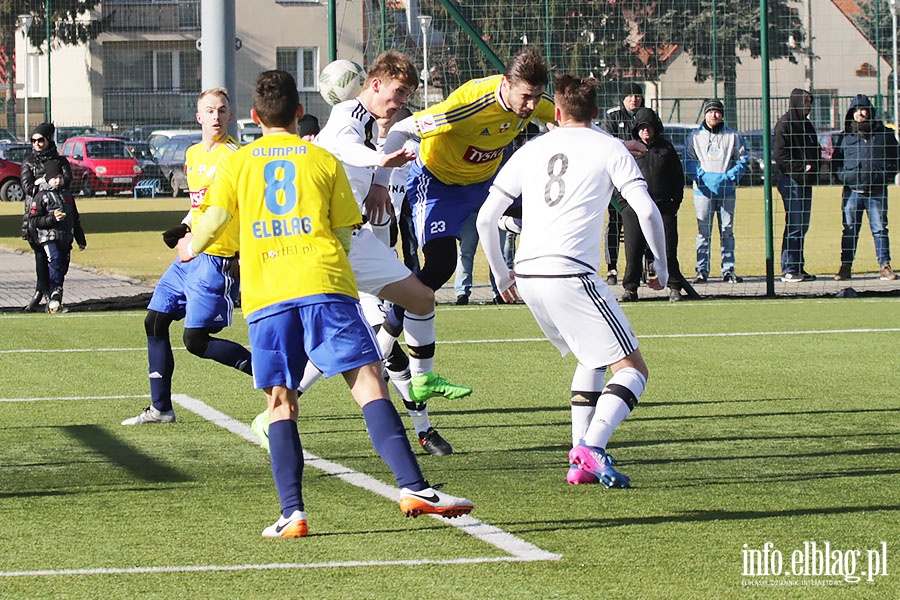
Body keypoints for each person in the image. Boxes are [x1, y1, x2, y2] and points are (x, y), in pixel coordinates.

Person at [177, 69, 474, 537]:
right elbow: (343, 229)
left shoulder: (238, 162)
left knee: (281, 402)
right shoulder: (322, 159)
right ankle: (413, 485)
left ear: (254, 117)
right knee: (368, 382)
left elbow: (213, 218)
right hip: (324, 283)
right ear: (299, 113)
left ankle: (292, 512)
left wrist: (191, 243)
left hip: (268, 294)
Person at [250, 51, 471, 457]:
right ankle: (277, 414)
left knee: (420, 299)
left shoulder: (374, 123)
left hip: (360, 239)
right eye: (398, 91)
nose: (402, 99)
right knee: (364, 348)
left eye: (407, 93)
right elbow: (341, 146)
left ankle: (424, 381)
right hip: (331, 243)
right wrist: (378, 161)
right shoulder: (349, 114)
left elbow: (380, 147)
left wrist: (380, 182)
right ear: (374, 84)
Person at [476, 74, 668, 488]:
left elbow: (486, 217)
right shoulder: (609, 146)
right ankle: (592, 446)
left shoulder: (533, 149)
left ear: (556, 112)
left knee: (591, 355)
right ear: (597, 113)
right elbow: (648, 212)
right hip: (570, 272)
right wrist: (663, 268)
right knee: (633, 369)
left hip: (527, 274)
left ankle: (579, 462)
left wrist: (499, 274)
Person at [375, 46, 556, 337]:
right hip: (438, 184)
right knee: (440, 266)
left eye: (537, 96)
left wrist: (614, 146)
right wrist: (380, 182)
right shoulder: (468, 104)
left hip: (486, 182)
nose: (533, 105)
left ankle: (511, 225)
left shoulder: (534, 101)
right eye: (526, 97)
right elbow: (401, 130)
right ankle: (386, 334)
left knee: (553, 209)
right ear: (506, 85)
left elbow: (572, 122)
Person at [121, 88, 252, 425]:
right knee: (154, 321)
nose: (216, 116)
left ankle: (273, 376)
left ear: (230, 116)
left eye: (222, 110)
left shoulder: (235, 157)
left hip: (216, 257)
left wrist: (241, 254)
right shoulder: (194, 154)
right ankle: (161, 408)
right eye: (210, 111)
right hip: (189, 255)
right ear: (199, 116)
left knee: (195, 341)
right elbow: (200, 207)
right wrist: (181, 228)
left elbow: (242, 211)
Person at [830, 94, 899, 281]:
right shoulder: (846, 136)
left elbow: (896, 157)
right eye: (856, 110)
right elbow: (836, 162)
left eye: (863, 109)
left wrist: (885, 175)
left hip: (877, 191)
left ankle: (885, 265)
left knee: (880, 229)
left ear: (869, 111)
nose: (860, 113)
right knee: (850, 229)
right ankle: (846, 266)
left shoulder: (883, 134)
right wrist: (845, 177)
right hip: (852, 192)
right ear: (851, 113)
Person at [621, 107, 685, 303]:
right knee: (633, 250)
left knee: (668, 250)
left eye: (648, 127)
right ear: (636, 130)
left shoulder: (666, 149)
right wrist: (624, 204)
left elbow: (678, 178)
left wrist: (674, 204)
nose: (645, 131)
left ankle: (674, 286)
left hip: (663, 207)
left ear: (655, 128)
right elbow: (616, 178)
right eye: (641, 128)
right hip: (633, 209)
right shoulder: (628, 151)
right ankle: (630, 288)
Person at [684, 99, 749, 283]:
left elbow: (742, 160)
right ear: (705, 114)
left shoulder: (733, 136)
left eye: (717, 111)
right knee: (703, 232)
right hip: (702, 192)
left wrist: (728, 177)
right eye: (710, 111)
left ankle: (728, 270)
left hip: (727, 191)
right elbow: (688, 161)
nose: (714, 115)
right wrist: (702, 177)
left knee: (727, 231)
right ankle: (701, 270)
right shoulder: (695, 137)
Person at [20, 122, 74, 312]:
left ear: (48, 140)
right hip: (37, 216)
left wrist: (48, 181)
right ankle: (42, 292)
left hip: (60, 218)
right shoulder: (28, 162)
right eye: (33, 140)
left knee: (60, 258)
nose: (36, 144)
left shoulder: (61, 161)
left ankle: (53, 293)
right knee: (41, 256)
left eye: (40, 140)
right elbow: (27, 187)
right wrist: (45, 184)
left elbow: (66, 181)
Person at [24, 159, 87, 313]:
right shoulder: (41, 196)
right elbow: (34, 220)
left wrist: (80, 239)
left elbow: (75, 218)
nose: (58, 181)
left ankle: (55, 299)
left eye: (60, 177)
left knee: (62, 267)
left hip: (65, 237)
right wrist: (52, 218)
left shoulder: (67, 195)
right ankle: (54, 294)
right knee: (55, 260)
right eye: (54, 178)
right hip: (48, 237)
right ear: (47, 178)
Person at [600, 82, 645, 286]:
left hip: (640, 179)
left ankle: (645, 266)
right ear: (623, 98)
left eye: (637, 95)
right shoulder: (613, 117)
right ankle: (612, 268)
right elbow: (607, 143)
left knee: (643, 222)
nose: (634, 99)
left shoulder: (646, 117)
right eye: (630, 95)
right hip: (616, 182)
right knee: (615, 224)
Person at [773, 88, 820, 283]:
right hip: (790, 180)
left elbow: (814, 148)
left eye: (810, 102)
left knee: (802, 225)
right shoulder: (784, 124)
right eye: (806, 102)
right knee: (794, 223)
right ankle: (789, 269)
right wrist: (801, 167)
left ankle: (798, 266)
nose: (808, 106)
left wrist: (816, 164)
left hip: (806, 181)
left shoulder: (807, 125)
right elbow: (780, 154)